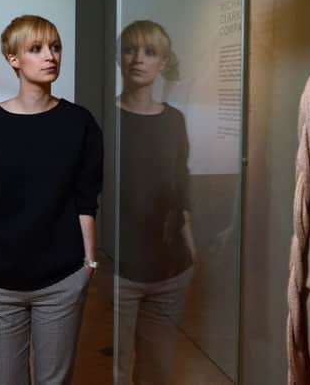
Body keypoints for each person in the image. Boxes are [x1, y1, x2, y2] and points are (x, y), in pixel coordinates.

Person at [0, 15, 103, 385]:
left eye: (55, 47)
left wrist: (88, 261)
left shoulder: (80, 122)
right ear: (13, 59)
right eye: (37, 48)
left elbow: (86, 198)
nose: (50, 56)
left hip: (61, 280)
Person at [116, 20, 197, 385]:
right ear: (119, 58)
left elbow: (180, 184)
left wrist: (190, 247)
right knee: (116, 366)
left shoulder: (174, 120)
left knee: (157, 368)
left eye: (149, 52)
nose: (138, 59)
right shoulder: (104, 118)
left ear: (163, 61)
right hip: (118, 266)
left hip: (169, 267)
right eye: (130, 49)